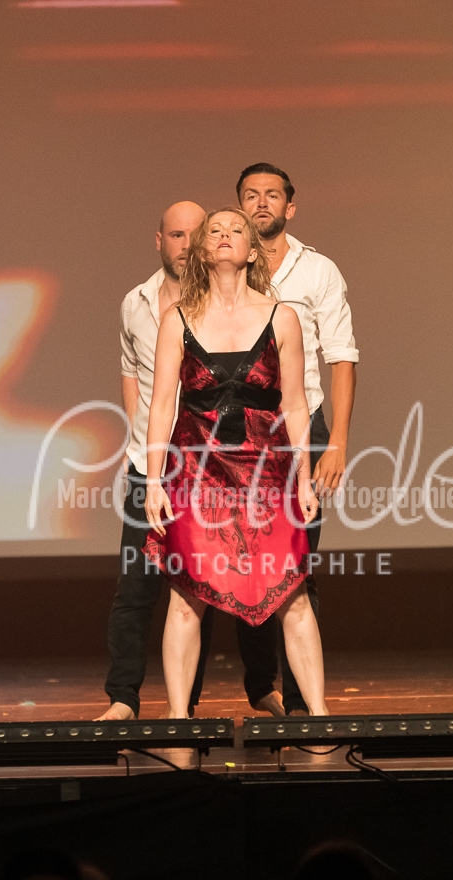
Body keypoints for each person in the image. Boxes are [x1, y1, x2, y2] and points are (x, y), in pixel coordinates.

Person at [99, 201, 288, 722]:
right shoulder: (136, 303)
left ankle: (248, 688)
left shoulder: (228, 305)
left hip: (223, 464)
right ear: (159, 240)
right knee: (138, 583)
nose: (186, 244)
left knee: (240, 578)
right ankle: (123, 698)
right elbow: (134, 374)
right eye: (176, 235)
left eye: (194, 234)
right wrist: (142, 440)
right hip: (154, 463)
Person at [142, 207, 328, 718]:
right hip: (195, 472)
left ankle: (319, 715)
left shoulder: (281, 317)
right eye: (216, 230)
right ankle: (177, 718)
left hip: (268, 474)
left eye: (237, 229)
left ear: (251, 249)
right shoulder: (176, 319)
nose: (225, 236)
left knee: (292, 593)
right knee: (186, 596)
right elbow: (161, 405)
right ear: (203, 248)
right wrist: (155, 481)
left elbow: (295, 404)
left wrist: (304, 480)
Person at [236, 162, 358, 716]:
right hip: (238, 432)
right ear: (238, 206)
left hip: (302, 429)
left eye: (271, 195)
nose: (261, 202)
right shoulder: (225, 268)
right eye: (250, 195)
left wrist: (337, 445)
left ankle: (306, 703)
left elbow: (342, 356)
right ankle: (263, 687)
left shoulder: (318, 271)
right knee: (245, 562)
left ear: (290, 207)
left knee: (296, 562)